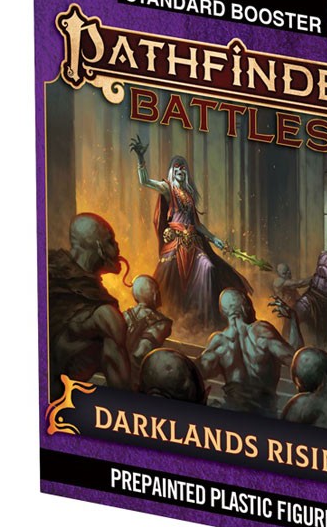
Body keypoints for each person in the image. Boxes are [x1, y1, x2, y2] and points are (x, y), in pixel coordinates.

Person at [129, 137, 250, 333]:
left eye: (183, 168)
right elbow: (145, 181)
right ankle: (164, 318)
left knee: (209, 268)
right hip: (175, 244)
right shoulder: (167, 188)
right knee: (167, 276)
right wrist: (141, 158)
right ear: (172, 171)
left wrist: (215, 239)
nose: (180, 170)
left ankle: (205, 322)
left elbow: (197, 225)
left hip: (194, 244)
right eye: (177, 167)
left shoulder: (189, 195)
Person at [48, 213, 131, 398]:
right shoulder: (50, 268)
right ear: (99, 247)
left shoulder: (93, 290)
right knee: (109, 318)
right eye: (110, 241)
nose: (117, 246)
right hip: (50, 373)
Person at [198, 289, 302, 415]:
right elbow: (297, 359)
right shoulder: (261, 332)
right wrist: (293, 319)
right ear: (245, 306)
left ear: (223, 312)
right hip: (264, 414)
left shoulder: (219, 341)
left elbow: (196, 373)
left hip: (232, 412)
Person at [124, 275, 173, 388]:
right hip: (137, 380)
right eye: (157, 291)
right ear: (154, 294)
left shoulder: (123, 315)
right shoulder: (162, 323)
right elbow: (141, 353)